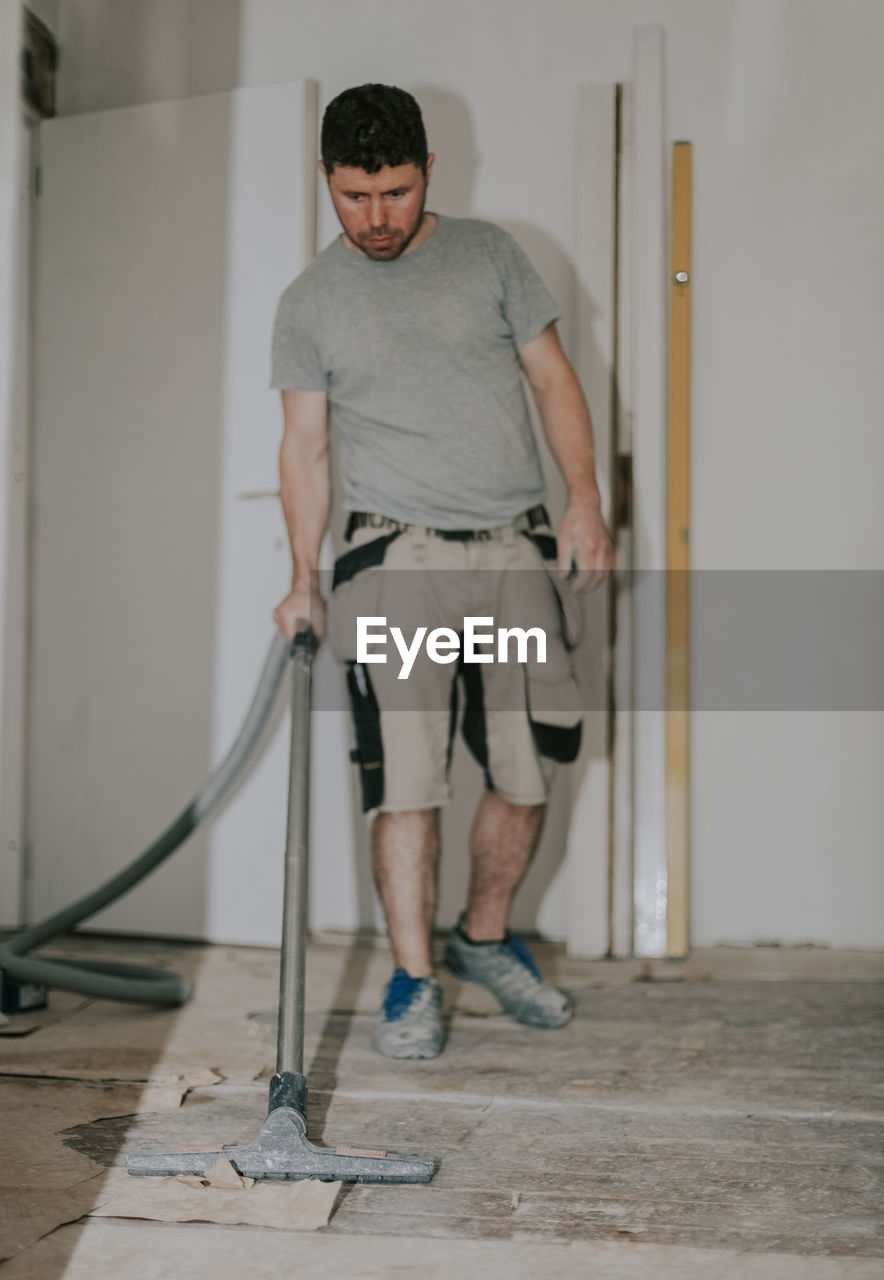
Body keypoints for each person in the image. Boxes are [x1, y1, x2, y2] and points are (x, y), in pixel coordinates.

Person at [270, 84, 613, 1059]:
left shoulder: (492, 256)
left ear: (429, 172)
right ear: (327, 182)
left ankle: (484, 935)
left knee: (526, 767)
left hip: (510, 544)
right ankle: (414, 977)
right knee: (406, 783)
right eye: (352, 196)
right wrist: (304, 573)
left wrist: (582, 502)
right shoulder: (309, 303)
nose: (375, 219)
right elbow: (303, 449)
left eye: (395, 192)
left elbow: (553, 378)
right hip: (393, 555)